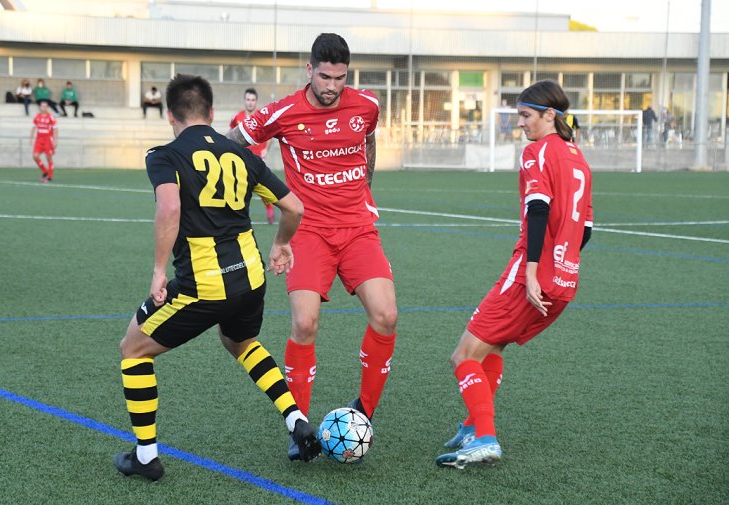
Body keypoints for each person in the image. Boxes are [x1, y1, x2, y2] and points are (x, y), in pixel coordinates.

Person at [113, 74, 320, 482]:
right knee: (240, 341)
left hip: (204, 284)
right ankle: (295, 418)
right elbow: (294, 207)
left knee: (132, 349)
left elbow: (169, 208)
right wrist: (281, 243)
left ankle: (145, 455)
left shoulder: (165, 155)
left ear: (170, 115)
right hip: (250, 277)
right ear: (211, 114)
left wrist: (158, 271)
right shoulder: (243, 154)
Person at [227, 33, 398, 460]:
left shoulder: (366, 106)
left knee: (387, 315)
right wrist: (269, 190)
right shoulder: (283, 111)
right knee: (304, 324)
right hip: (309, 233)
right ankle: (298, 425)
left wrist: (368, 186)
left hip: (358, 229)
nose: (332, 86)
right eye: (325, 77)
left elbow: (368, 138)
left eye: (340, 78)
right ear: (310, 69)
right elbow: (232, 139)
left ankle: (365, 410)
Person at [435, 80, 593, 469]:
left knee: (463, 355)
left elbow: (538, 209)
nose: (520, 124)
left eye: (526, 116)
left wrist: (534, 270)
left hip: (530, 275)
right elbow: (586, 229)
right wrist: (559, 264)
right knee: (493, 347)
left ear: (549, 115)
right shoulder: (579, 158)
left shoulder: (538, 152)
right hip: (566, 281)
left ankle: (485, 437)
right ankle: (473, 426)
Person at [230, 88, 274, 224]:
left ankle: (269, 208)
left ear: (256, 101)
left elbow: (270, 135)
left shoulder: (261, 117)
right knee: (238, 187)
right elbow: (231, 133)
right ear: (245, 100)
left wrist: (266, 149)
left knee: (261, 187)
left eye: (253, 100)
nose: (250, 103)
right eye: (248, 100)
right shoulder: (237, 117)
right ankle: (237, 216)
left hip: (257, 159)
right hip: (241, 158)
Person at [31, 100, 58, 182]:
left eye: (45, 106)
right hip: (39, 139)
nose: (43, 108)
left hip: (48, 139)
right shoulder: (37, 117)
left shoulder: (50, 117)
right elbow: (34, 127)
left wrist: (55, 140)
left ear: (47, 108)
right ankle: (45, 171)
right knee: (35, 156)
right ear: (40, 107)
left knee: (48, 157)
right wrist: (31, 137)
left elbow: (55, 129)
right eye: (42, 106)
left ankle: (50, 176)